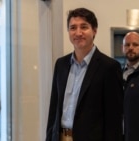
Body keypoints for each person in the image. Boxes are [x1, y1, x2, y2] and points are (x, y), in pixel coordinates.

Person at [45, 7, 124, 141]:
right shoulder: (61, 64)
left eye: (84, 27)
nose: (78, 32)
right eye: (73, 28)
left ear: (94, 31)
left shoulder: (109, 67)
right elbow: (54, 110)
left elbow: (114, 119)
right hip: (60, 137)